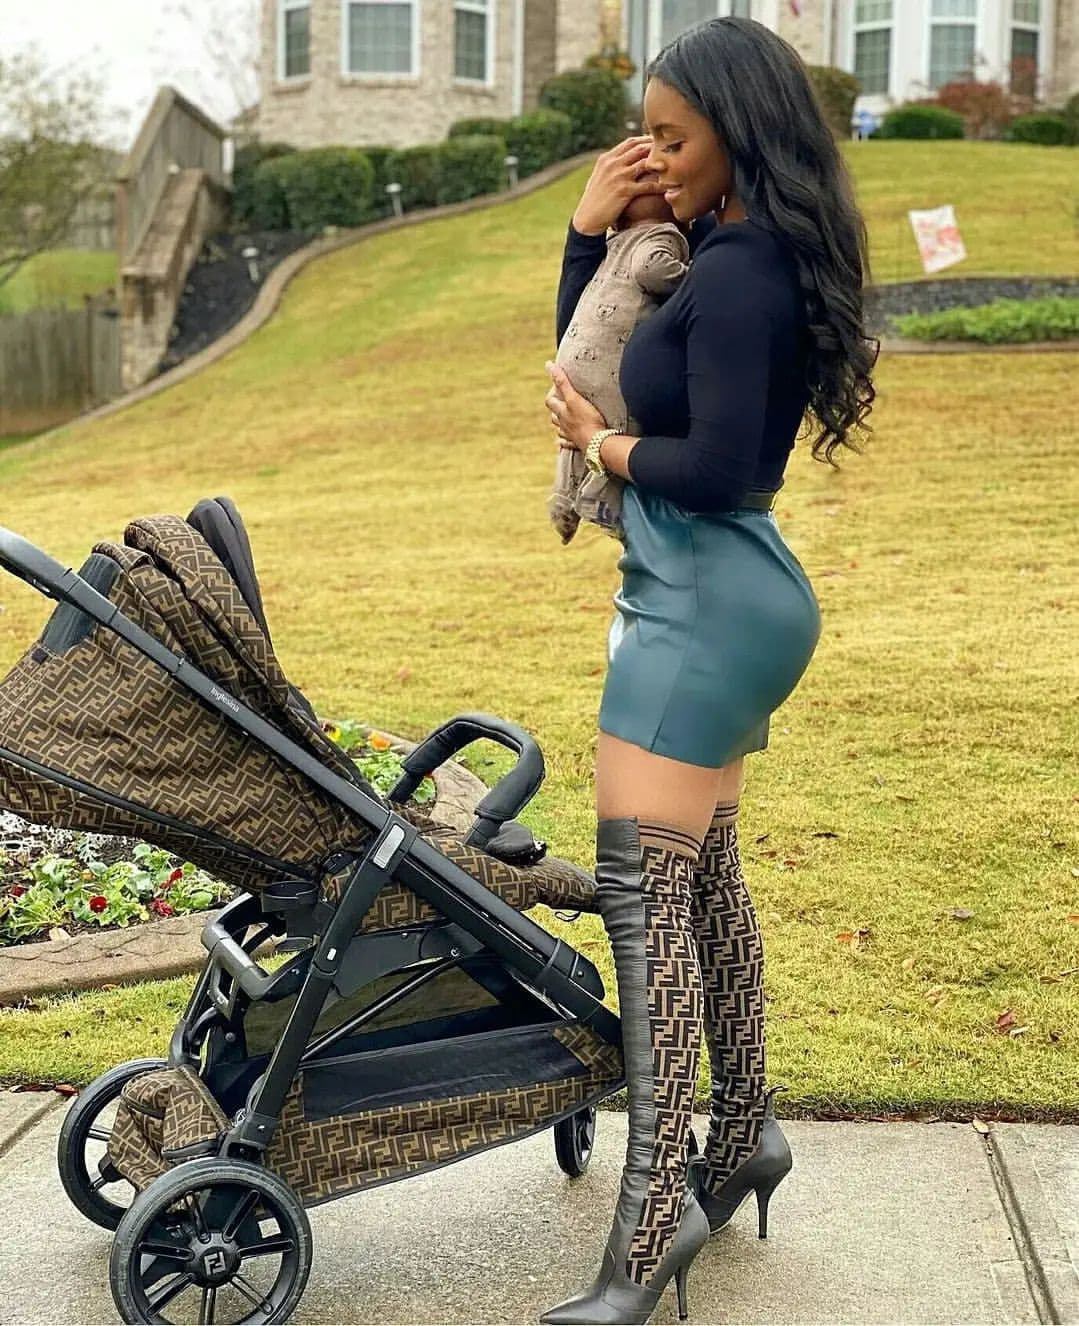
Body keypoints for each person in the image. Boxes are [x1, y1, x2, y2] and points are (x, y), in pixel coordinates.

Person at [539, 16, 878, 1326]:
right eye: (647, 136)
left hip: (702, 595)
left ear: (739, 130)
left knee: (645, 906)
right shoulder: (732, 253)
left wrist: (602, 451)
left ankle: (651, 1222)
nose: (656, 159)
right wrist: (586, 236)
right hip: (705, 587)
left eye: (674, 138)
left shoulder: (736, 272)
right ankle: (738, 1138)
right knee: (700, 883)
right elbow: (594, 361)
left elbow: (718, 464)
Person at [547, 170, 690, 546]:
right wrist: (693, 280)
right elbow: (651, 269)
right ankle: (602, 503)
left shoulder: (613, 242)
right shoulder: (663, 235)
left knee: (572, 440)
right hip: (609, 367)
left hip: (574, 357)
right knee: (617, 432)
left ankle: (563, 498)